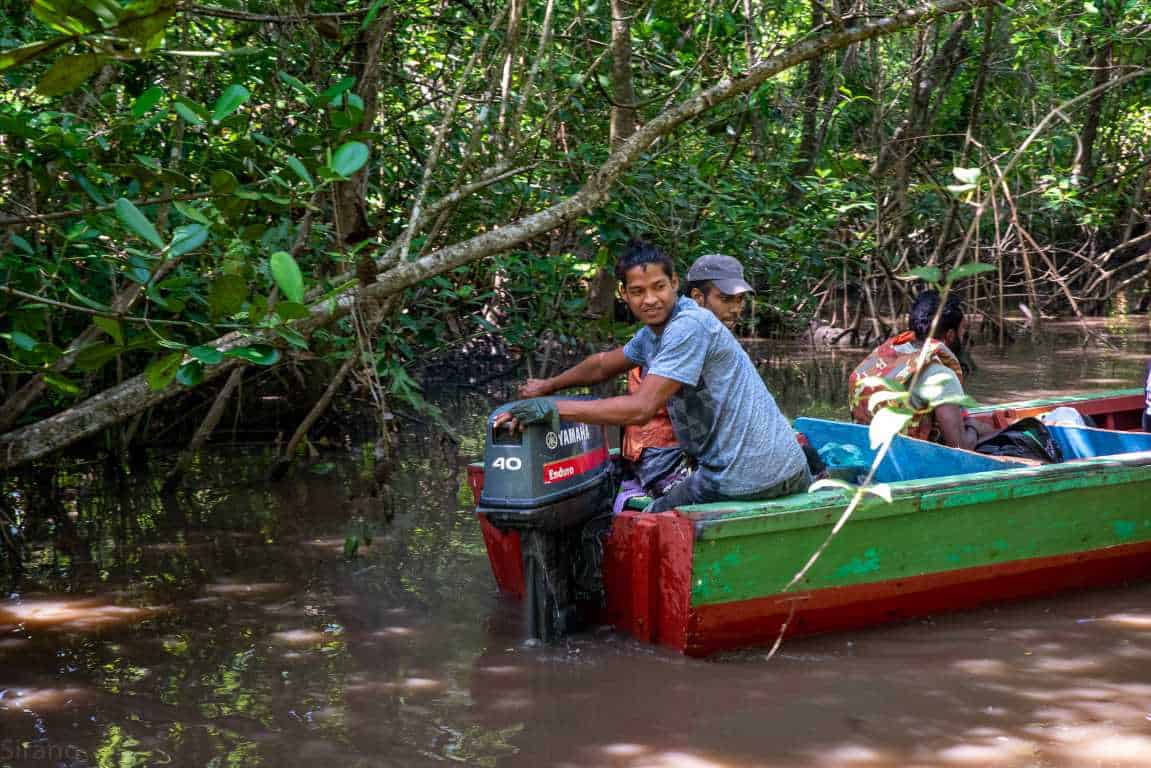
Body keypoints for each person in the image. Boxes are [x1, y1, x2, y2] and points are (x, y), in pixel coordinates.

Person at [496, 240, 810, 512]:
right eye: (638, 291)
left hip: (749, 475)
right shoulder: (656, 332)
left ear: (674, 283)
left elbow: (642, 408)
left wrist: (552, 408)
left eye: (658, 287)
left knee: (654, 520)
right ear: (623, 293)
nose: (650, 300)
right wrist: (548, 386)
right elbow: (603, 364)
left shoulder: (689, 326)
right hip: (768, 468)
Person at [621, 253, 757, 498]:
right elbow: (695, 422)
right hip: (663, 457)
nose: (735, 309)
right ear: (698, 298)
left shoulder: (708, 335)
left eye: (739, 300)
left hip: (695, 450)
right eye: (725, 299)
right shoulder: (680, 335)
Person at [848, 289, 993, 450]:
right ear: (951, 335)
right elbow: (960, 446)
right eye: (963, 330)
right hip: (907, 461)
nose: (964, 334)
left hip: (864, 451)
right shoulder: (942, 376)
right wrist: (975, 428)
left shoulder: (882, 357)